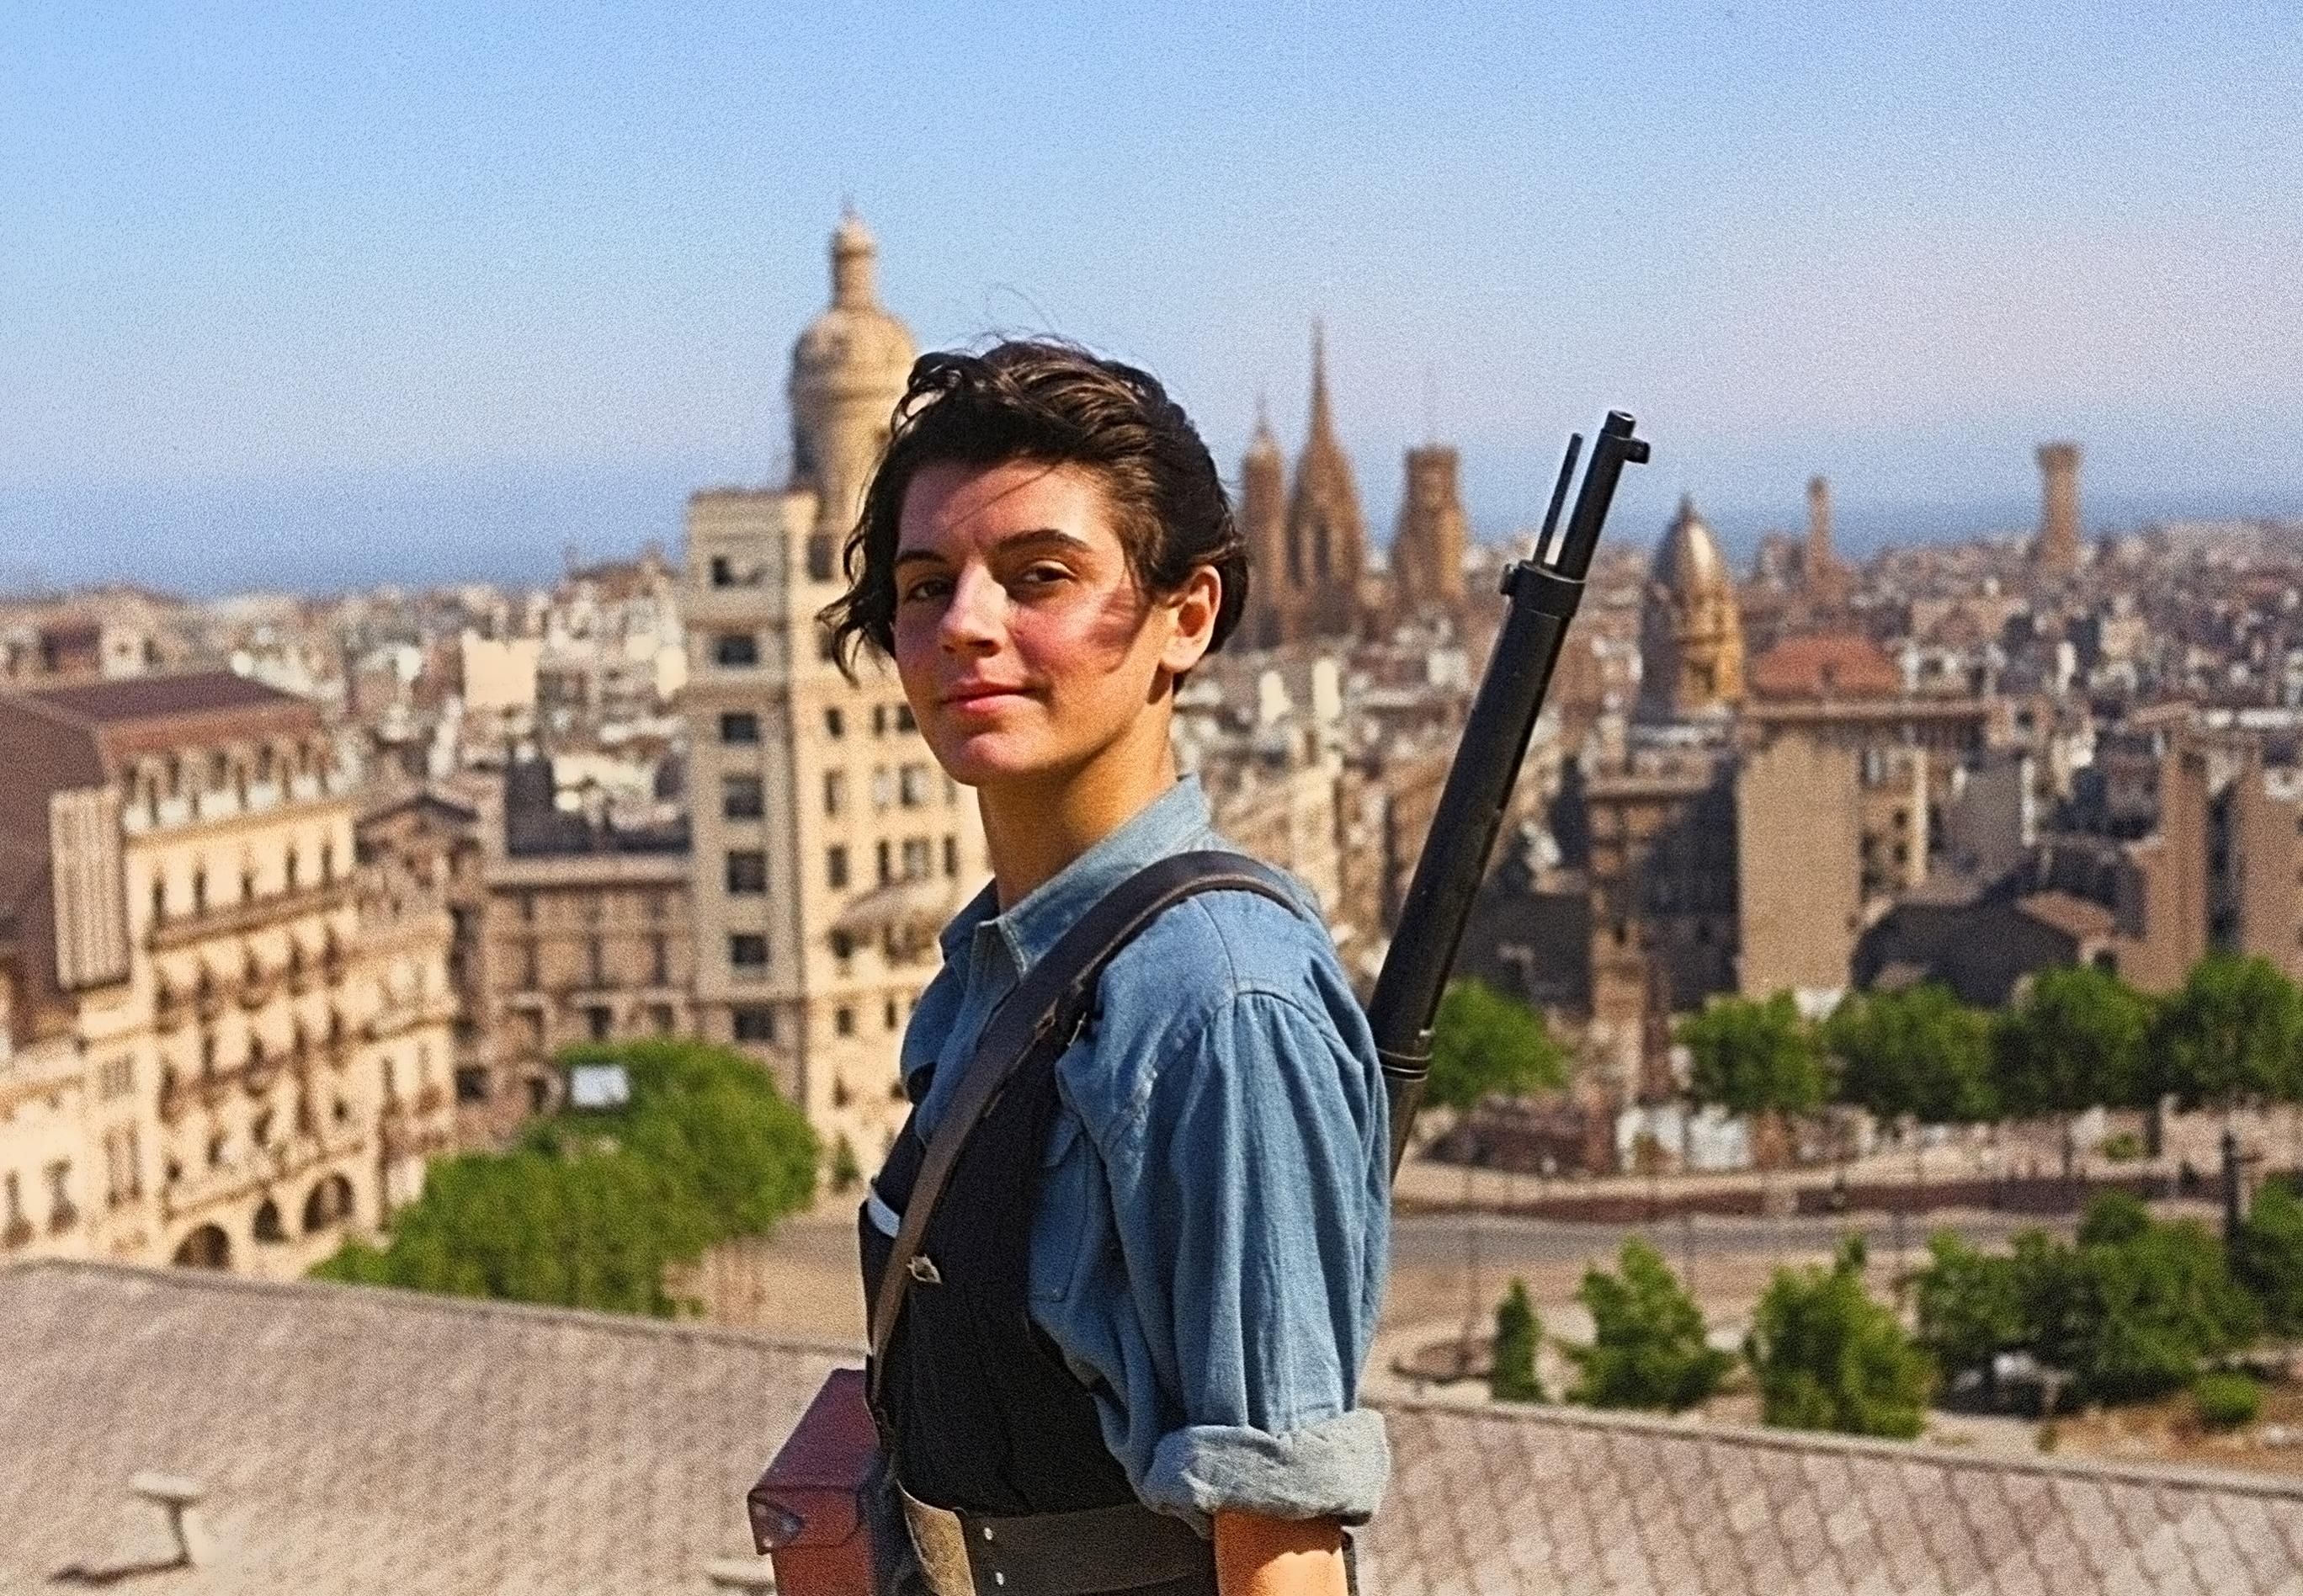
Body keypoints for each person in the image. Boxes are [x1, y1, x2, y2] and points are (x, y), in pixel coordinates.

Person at [821, 340, 1390, 1596]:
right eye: (926, 586)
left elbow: (1280, 1538)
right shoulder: (1001, 959)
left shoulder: (1215, 1003)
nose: (967, 625)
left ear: (1184, 619)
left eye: (1040, 578)